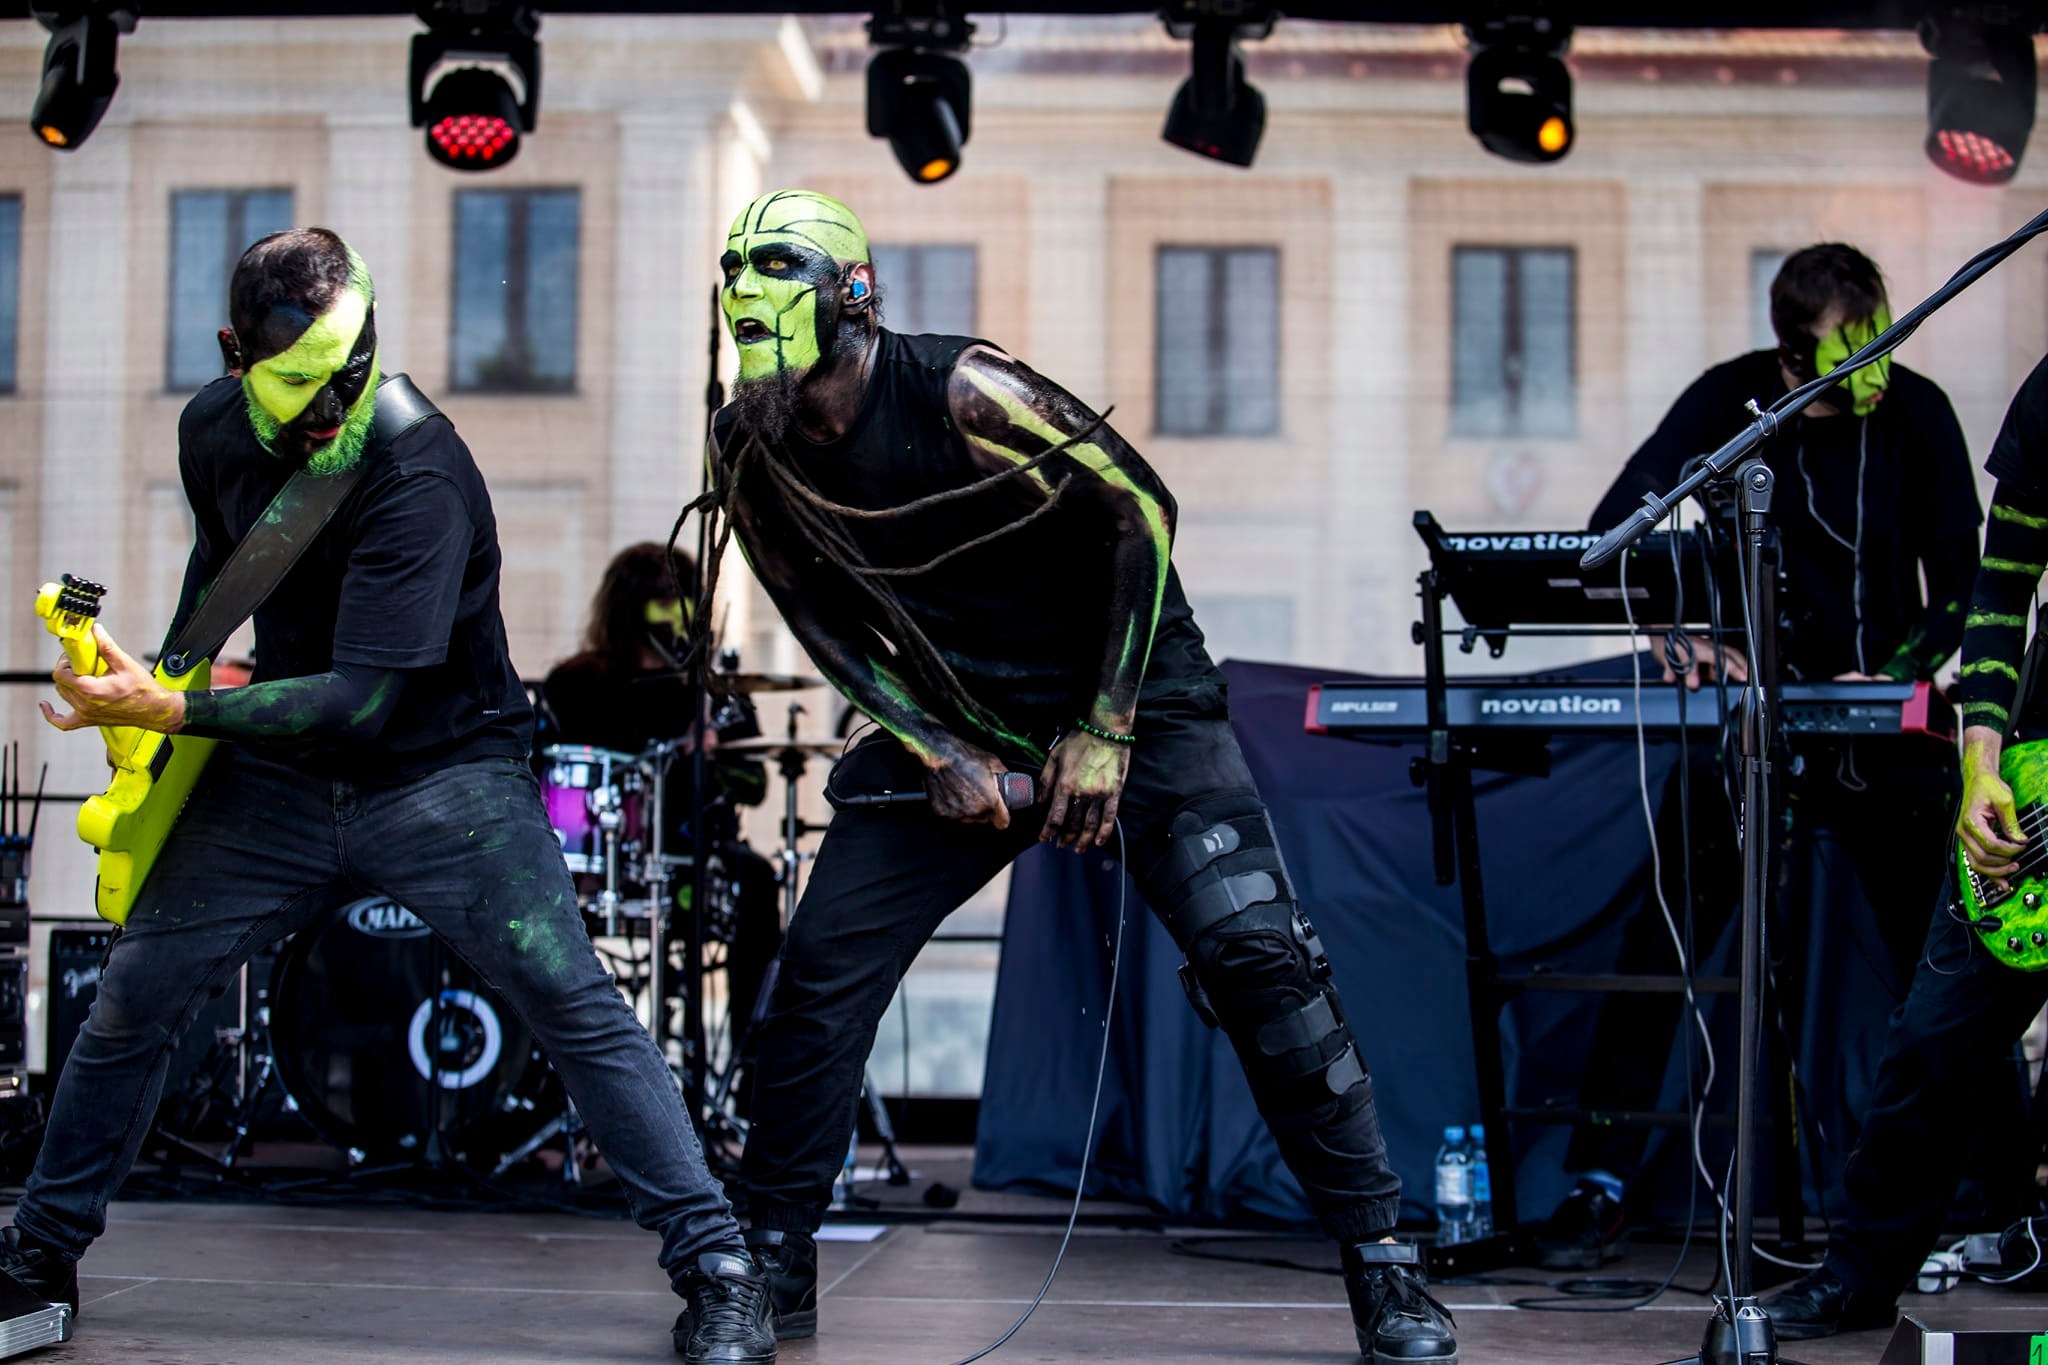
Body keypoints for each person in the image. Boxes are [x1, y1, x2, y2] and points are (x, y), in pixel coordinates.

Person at [687, 188, 1457, 1364]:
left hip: (1134, 691)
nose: (743, 285)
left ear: (852, 293)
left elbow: (1143, 508)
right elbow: (817, 616)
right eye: (732, 266)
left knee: (1261, 960)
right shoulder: (749, 444)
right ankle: (771, 1264)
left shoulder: (964, 390)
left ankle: (1382, 1263)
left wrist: (1101, 731)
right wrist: (936, 748)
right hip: (959, 719)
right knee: (818, 978)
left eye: (774, 263)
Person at [9, 229, 775, 1364]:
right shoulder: (210, 429)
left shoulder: (420, 470)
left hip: (444, 772)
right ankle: (36, 1259)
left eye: (353, 370)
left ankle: (719, 1267)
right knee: (133, 997)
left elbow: (362, 703)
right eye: (303, 386)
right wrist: (162, 674)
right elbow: (227, 565)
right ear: (234, 356)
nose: (335, 408)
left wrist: (171, 714)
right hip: (276, 777)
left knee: (570, 999)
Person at [1546, 244, 1982, 1268]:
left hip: (1885, 731)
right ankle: (1595, 1182)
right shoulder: (1733, 401)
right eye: (1848, 344)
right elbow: (1615, 525)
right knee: (1660, 950)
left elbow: (1964, 581)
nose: (1872, 358)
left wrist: (1902, 673)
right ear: (1792, 356)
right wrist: (1676, 635)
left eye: (1880, 331)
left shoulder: (1917, 413)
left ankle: (1989, 1200)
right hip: (1749, 729)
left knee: (1950, 965)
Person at [1759, 351, 2048, 1338]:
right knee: (1932, 1037)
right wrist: (1980, 765)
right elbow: (1999, 592)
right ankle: (1856, 1275)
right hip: (2033, 773)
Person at [542, 541, 779, 1039]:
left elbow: (754, 786)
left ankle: (751, 1062)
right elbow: (549, 775)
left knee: (756, 881)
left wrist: (715, 754)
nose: (675, 611)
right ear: (630, 606)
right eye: (662, 598)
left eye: (682, 596)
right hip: (599, 861)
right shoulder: (578, 684)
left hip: (694, 858)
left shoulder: (712, 690)